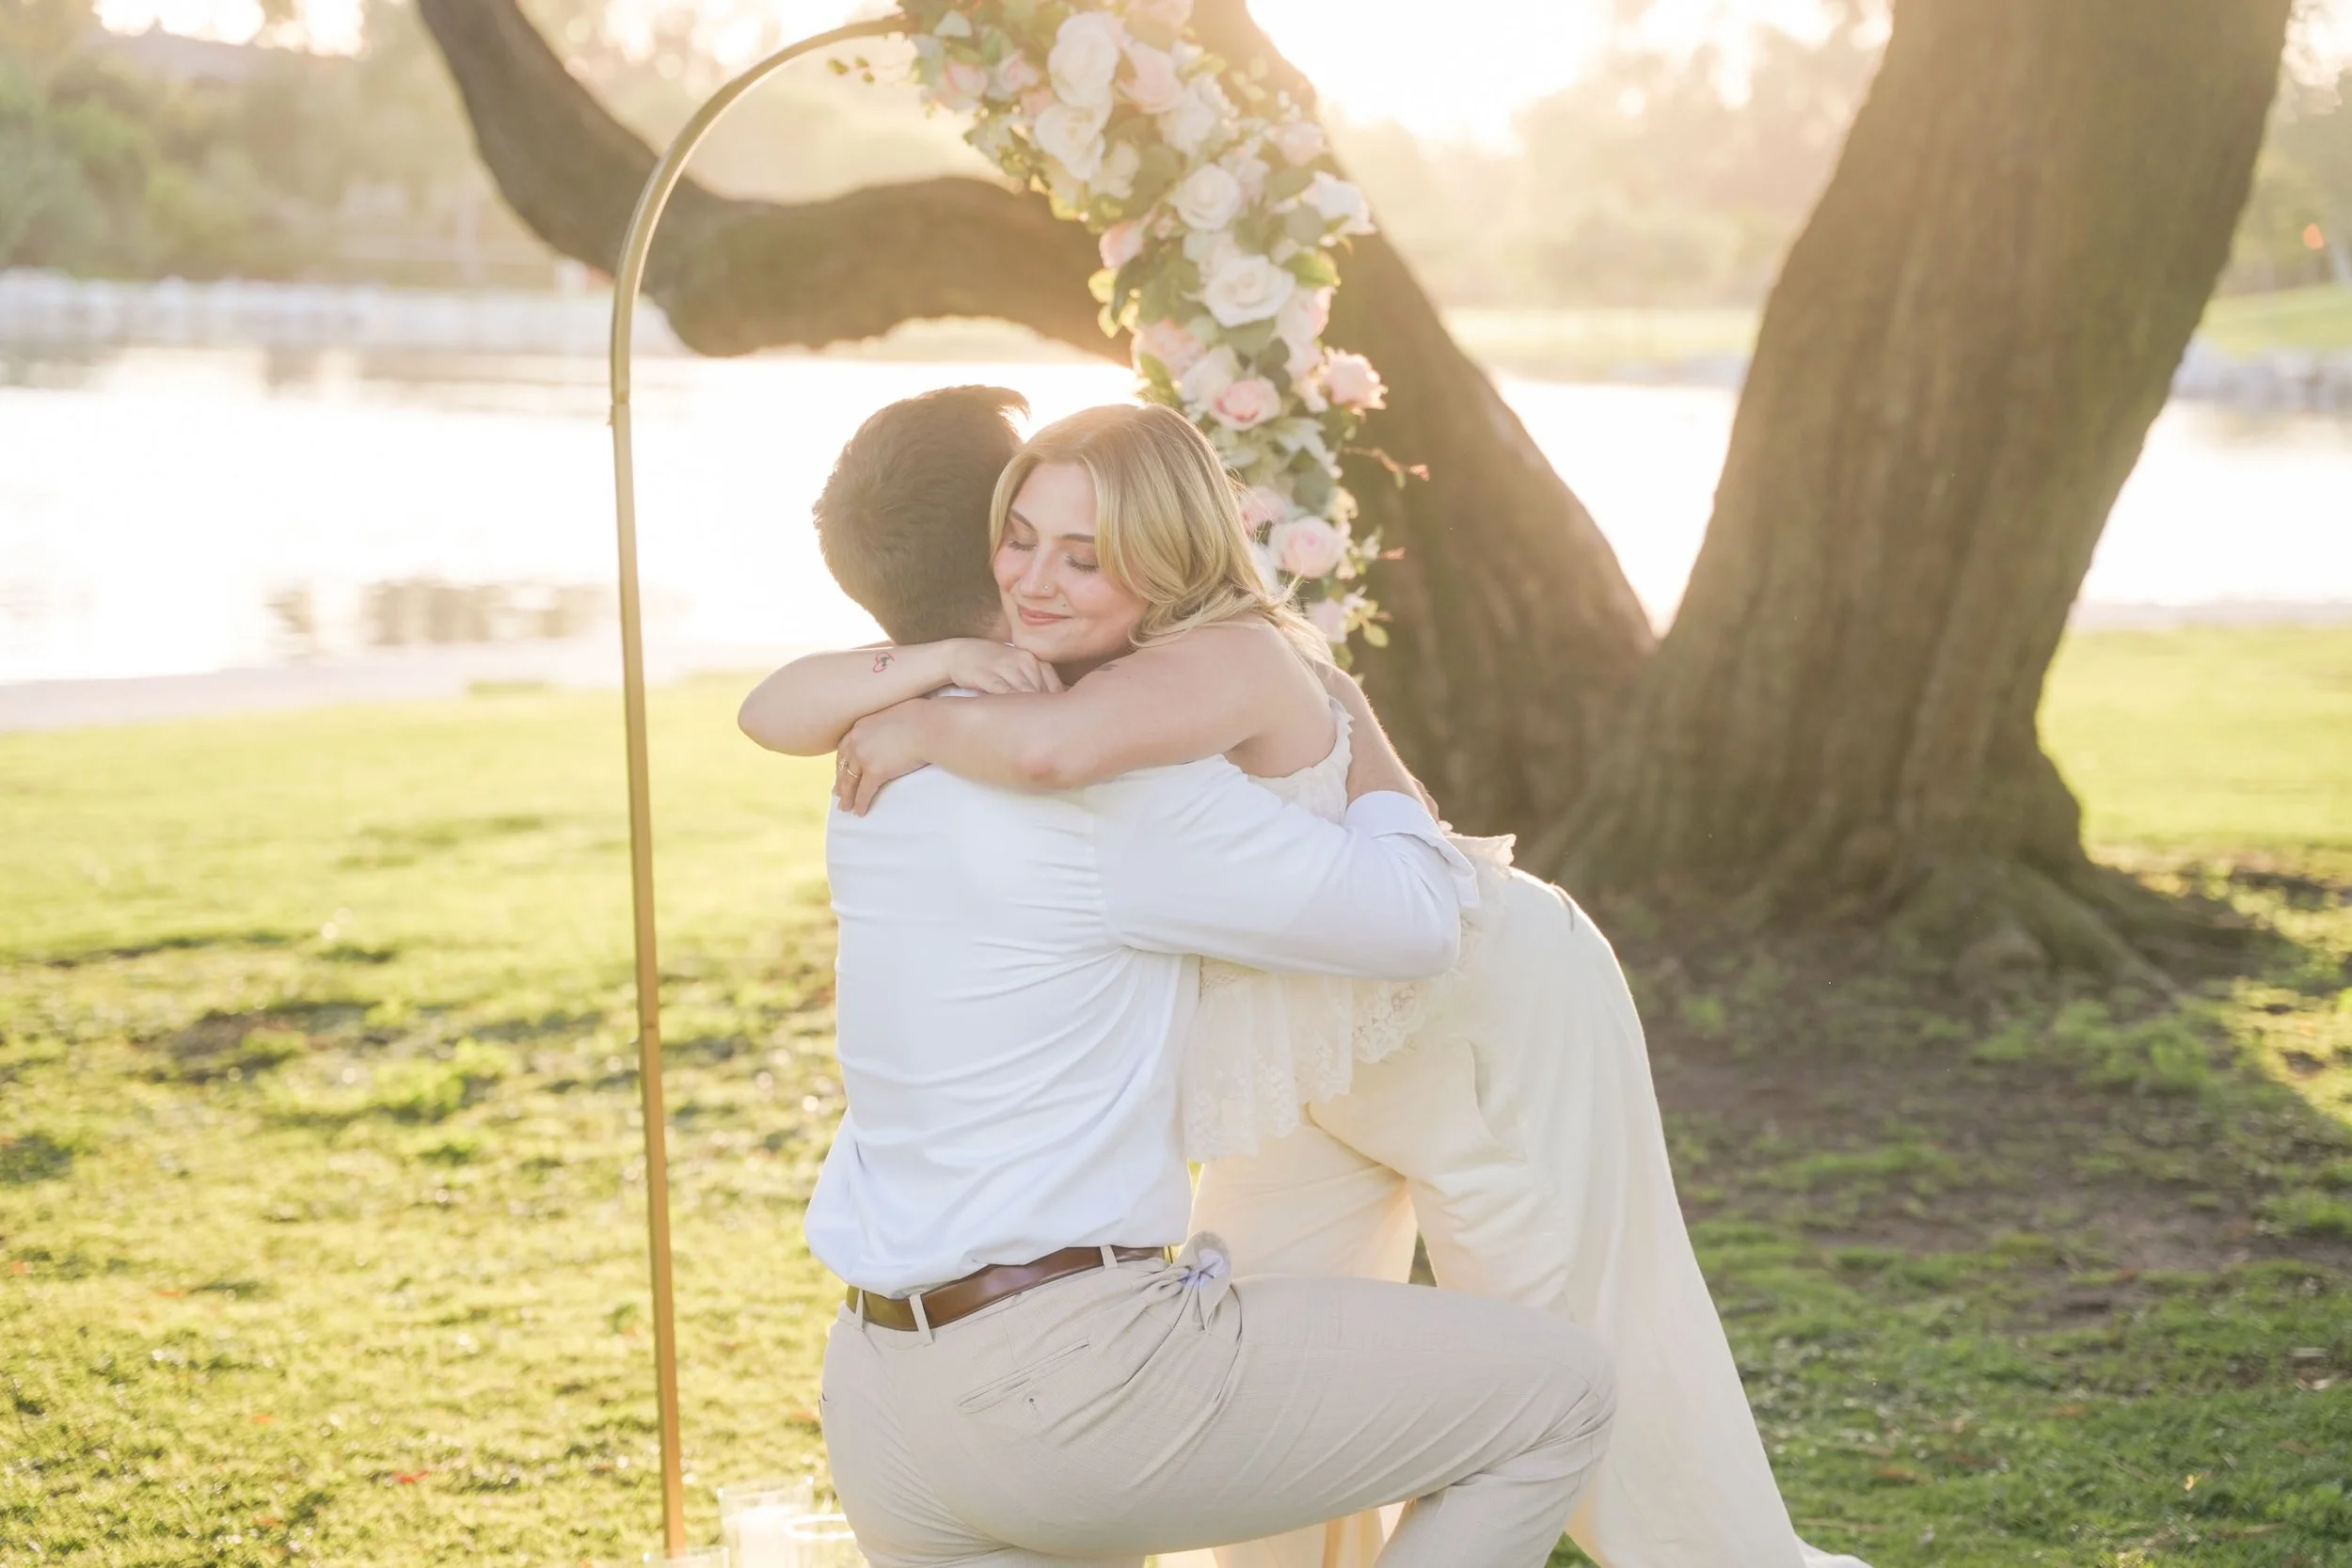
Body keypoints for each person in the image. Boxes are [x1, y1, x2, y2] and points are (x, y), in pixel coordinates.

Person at [745, 388, 1874, 1568]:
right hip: (1284, 1045)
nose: (1041, 573)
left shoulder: (1051, 731)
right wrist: (930, 689)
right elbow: (786, 708)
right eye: (1020, 537)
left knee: (1586, 1342)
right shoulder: (1004, 713)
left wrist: (925, 717)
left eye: (1083, 547)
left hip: (1472, 1004)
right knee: (1287, 1397)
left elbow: (1069, 761)